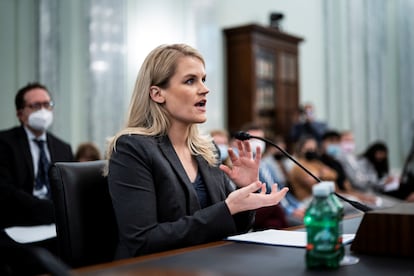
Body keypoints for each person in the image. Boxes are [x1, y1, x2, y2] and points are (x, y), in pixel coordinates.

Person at [105, 44, 289, 258]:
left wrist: (245, 189)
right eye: (190, 80)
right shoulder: (131, 149)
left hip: (208, 262)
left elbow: (235, 228)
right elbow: (142, 241)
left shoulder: (206, 150)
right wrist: (227, 208)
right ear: (157, 94)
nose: (204, 89)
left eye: (203, 79)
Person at [0, 82, 74, 274]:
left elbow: (70, 189)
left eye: (47, 104)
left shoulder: (63, 148)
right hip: (19, 225)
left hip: (57, 225)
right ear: (20, 114)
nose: (43, 110)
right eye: (35, 106)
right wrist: (51, 210)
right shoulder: (4, 143)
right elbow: (6, 191)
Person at [319, 130, 376, 207]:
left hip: (344, 197)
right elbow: (334, 191)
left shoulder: (338, 164)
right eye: (331, 141)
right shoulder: (318, 162)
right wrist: (357, 198)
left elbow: (348, 188)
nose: (334, 144)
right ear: (322, 143)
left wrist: (362, 197)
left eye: (337, 141)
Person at [288, 135, 337, 206]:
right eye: (308, 149)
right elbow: (314, 185)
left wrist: (319, 174)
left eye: (313, 149)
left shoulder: (316, 163)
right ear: (301, 149)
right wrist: (322, 173)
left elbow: (334, 174)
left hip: (325, 196)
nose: (311, 151)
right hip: (309, 200)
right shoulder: (298, 166)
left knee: (352, 199)